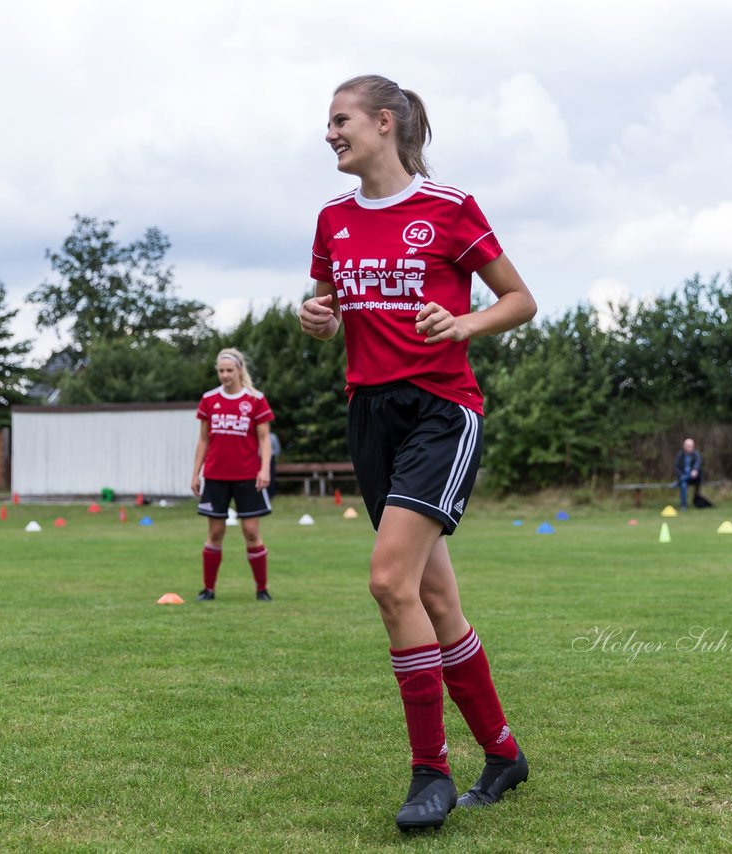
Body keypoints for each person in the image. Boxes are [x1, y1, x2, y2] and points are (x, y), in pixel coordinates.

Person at [299, 74, 537, 832]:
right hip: (370, 415)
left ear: (384, 122)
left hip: (442, 411)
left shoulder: (448, 208)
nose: (328, 133)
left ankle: (429, 773)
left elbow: (519, 300)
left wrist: (465, 326)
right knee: (434, 600)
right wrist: (316, 319)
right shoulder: (332, 218)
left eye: (339, 120)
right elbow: (328, 307)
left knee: (387, 581)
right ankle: (502, 753)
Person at [191, 348, 275, 601]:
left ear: (239, 370)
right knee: (215, 533)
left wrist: (264, 468)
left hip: (247, 476)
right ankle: (209, 589)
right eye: (221, 371)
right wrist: (196, 474)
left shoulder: (255, 399)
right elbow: (203, 439)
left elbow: (264, 439)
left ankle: (262, 589)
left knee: (250, 531)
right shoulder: (209, 399)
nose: (225, 375)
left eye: (229, 370)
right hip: (216, 476)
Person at [673, 438, 702, 510]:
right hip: (683, 477)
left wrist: (695, 470)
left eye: (692, 446)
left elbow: (697, 463)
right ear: (684, 446)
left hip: (694, 478)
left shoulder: (696, 454)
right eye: (688, 446)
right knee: (683, 485)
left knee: (684, 479)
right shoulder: (680, 455)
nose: (690, 448)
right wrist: (681, 475)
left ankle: (678, 482)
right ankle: (684, 505)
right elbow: (676, 467)